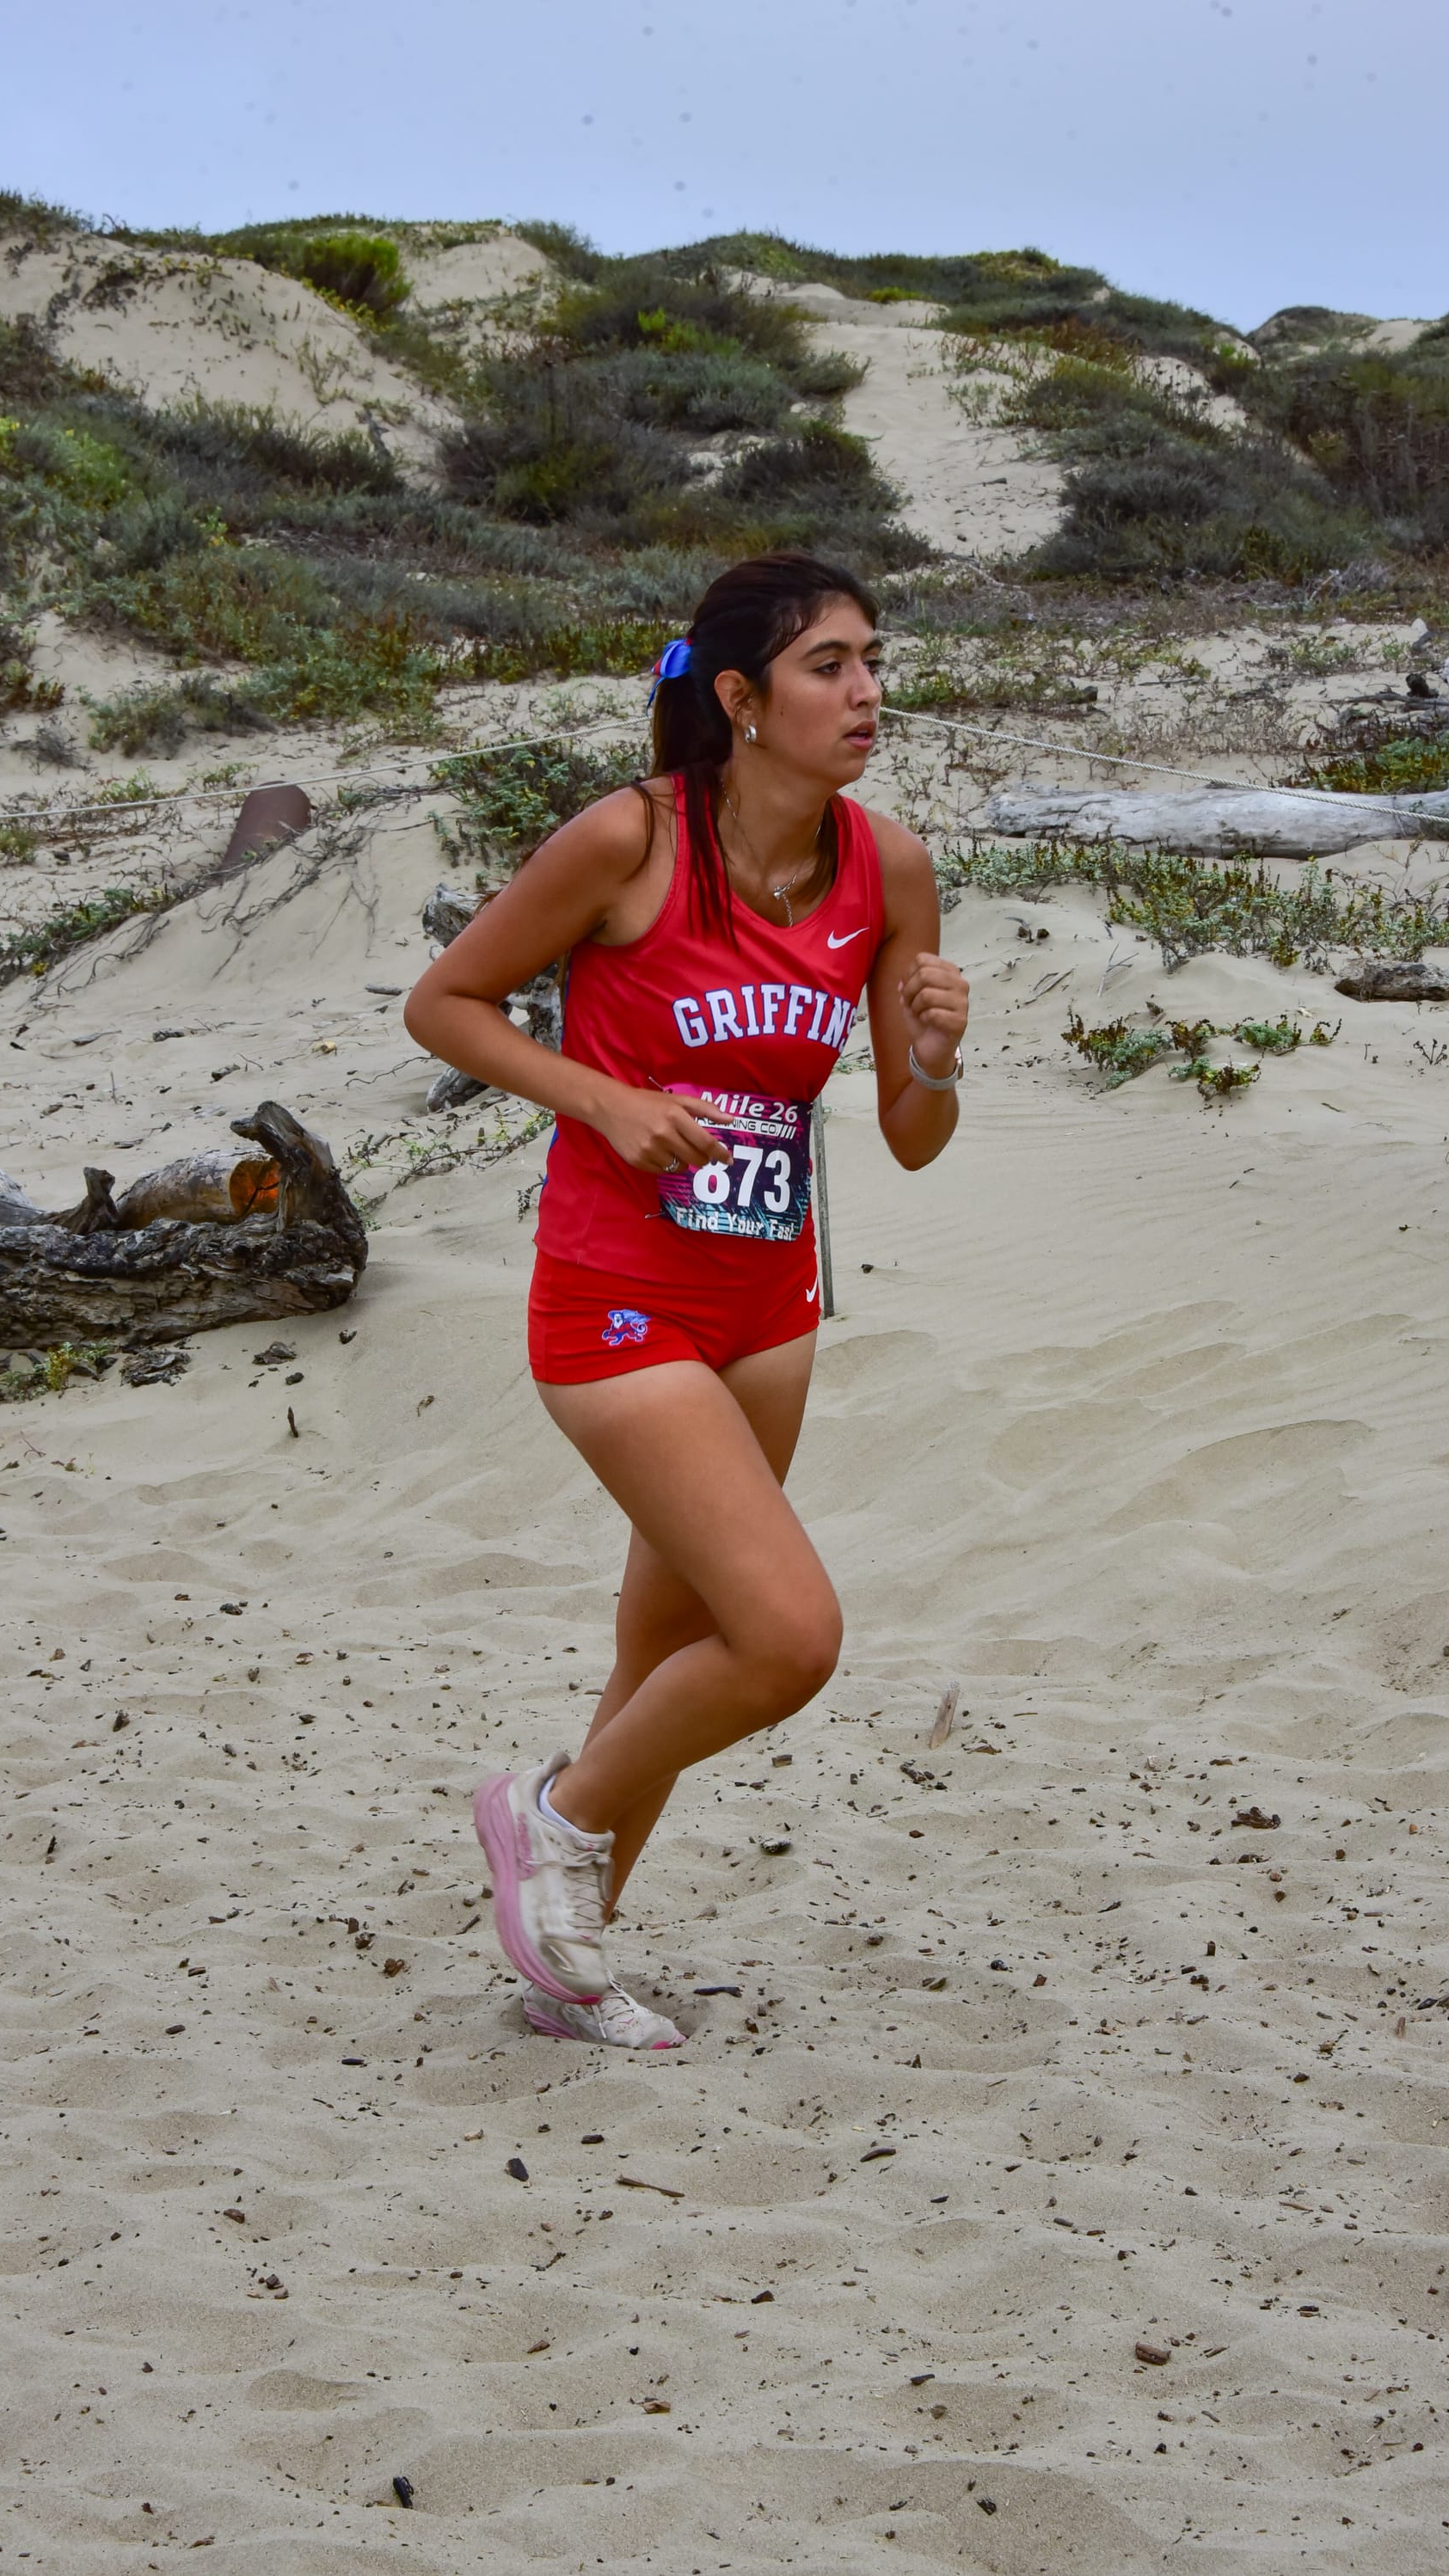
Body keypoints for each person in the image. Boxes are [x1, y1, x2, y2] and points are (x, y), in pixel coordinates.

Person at [403, 551, 969, 2048]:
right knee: (787, 1638)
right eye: (830, 665)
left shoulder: (890, 869)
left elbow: (914, 1140)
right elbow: (443, 1004)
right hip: (616, 1300)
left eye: (873, 660)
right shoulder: (630, 839)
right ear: (741, 697)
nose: (868, 691)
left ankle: (565, 1963)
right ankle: (549, 1815)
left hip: (766, 1306)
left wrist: (932, 1057)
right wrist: (602, 1098)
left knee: (664, 1656)